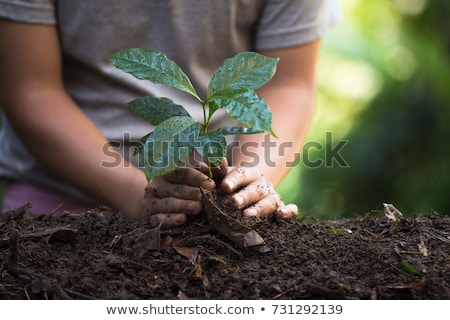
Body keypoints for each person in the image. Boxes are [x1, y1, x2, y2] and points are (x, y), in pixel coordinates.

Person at [0, 0, 342, 228]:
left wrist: (248, 180)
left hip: (205, 197)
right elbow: (32, 90)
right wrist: (137, 193)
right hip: (57, 200)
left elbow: (287, 83)